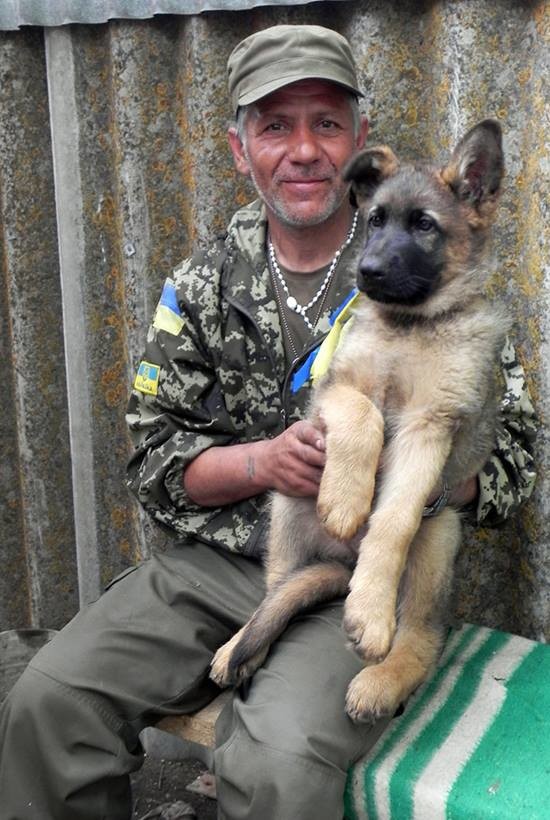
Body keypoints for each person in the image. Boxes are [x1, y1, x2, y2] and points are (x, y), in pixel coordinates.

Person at [0, 24, 536, 820]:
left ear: (358, 141)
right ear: (238, 148)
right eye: (274, 126)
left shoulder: (436, 254)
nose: (304, 150)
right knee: (46, 701)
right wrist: (263, 463)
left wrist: (422, 491)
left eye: (325, 123)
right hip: (216, 558)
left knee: (278, 761)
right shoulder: (205, 281)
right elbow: (153, 457)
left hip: (355, 581)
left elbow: (513, 461)